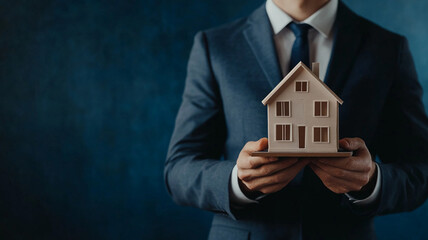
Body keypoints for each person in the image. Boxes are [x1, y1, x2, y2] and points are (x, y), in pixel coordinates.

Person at [165, 0, 428, 239]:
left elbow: (421, 169)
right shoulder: (215, 45)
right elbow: (179, 170)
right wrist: (237, 181)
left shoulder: (388, 48)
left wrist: (371, 181)